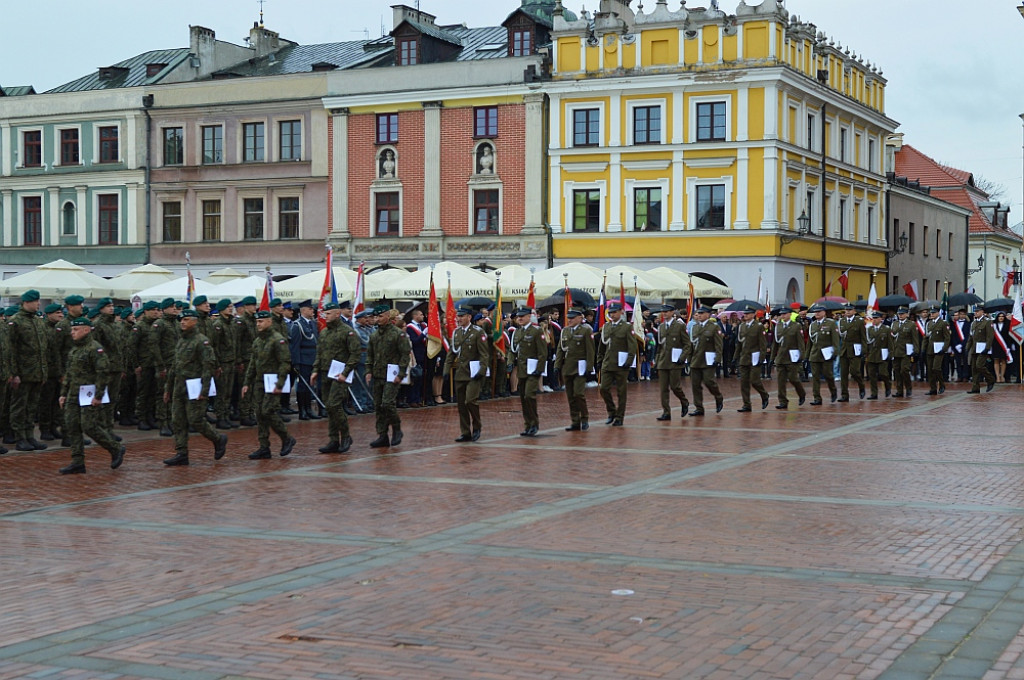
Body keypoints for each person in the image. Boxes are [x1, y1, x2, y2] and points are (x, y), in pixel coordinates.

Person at [57, 318, 126, 475]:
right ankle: (77, 461)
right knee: (71, 425)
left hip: (89, 393)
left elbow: (103, 373)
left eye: (76, 330)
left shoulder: (95, 349)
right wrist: (63, 394)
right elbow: (68, 374)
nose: (72, 333)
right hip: (73, 393)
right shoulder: (74, 350)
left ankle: (115, 448)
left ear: (86, 330)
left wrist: (99, 395)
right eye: (72, 330)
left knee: (89, 426)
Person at [162, 309, 228, 466]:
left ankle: (218, 439)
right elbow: (174, 366)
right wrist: (168, 388)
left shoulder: (201, 341)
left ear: (195, 321)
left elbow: (208, 366)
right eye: (181, 320)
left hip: (194, 386)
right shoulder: (181, 340)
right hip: (179, 387)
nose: (182, 322)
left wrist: (204, 390)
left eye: (186, 319)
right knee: (178, 420)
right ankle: (181, 453)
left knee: (195, 419)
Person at [242, 310, 296, 458]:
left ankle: (286, 438)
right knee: (259, 413)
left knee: (268, 411)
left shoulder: (278, 340)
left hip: (273, 381)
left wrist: (280, 384)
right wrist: (247, 382)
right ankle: (264, 447)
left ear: (269, 322)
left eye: (261, 321)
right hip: (260, 382)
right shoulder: (258, 341)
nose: (258, 324)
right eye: (257, 322)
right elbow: (253, 364)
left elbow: (285, 363)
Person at [311, 302, 362, 453]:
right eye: (324, 314)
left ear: (337, 314)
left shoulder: (347, 332)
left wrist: (345, 372)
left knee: (334, 405)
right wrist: (315, 370)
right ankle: (333, 439)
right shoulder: (325, 332)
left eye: (328, 314)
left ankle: (346, 436)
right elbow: (319, 353)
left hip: (340, 375)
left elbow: (355, 354)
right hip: (326, 373)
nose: (325, 317)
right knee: (329, 407)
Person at [8, 289, 50, 451]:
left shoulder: (38, 321)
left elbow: (42, 349)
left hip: (37, 373)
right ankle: (20, 438)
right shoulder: (16, 321)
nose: (39, 304)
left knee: (32, 407)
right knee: (19, 406)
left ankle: (30, 436)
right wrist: (14, 373)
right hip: (23, 373)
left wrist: (43, 372)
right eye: (36, 301)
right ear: (27, 302)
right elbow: (11, 350)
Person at [365, 307, 411, 447]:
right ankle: (382, 435)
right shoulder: (374, 335)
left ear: (387, 316)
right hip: (378, 374)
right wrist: (368, 371)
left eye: (379, 316)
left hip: (392, 375)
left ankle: (396, 428)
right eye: (375, 317)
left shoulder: (398, 334)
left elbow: (405, 354)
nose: (377, 319)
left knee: (387, 403)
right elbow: (370, 355)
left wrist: (401, 373)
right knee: (378, 406)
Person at [444, 306, 490, 442]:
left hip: (474, 373)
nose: (458, 319)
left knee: (470, 401)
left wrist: (482, 371)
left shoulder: (478, 332)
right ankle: (465, 432)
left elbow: (484, 354)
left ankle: (477, 427)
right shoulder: (456, 333)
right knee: (461, 405)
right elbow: (452, 353)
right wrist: (446, 371)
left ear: (469, 317)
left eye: (461, 316)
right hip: (460, 373)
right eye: (458, 316)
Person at [554, 307, 595, 431]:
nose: (570, 320)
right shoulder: (565, 331)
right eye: (569, 318)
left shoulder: (586, 330)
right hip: (568, 367)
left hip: (580, 368)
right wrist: (557, 365)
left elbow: (590, 350)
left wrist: (589, 367)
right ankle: (575, 421)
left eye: (572, 318)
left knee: (578, 394)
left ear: (580, 318)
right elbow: (560, 349)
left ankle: (585, 418)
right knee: (570, 396)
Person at [510, 308, 546, 436]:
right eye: (518, 317)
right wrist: (510, 362)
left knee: (529, 395)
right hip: (522, 369)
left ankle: (534, 424)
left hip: (533, 369)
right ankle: (528, 425)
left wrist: (539, 369)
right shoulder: (518, 332)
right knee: (523, 398)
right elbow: (513, 350)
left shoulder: (536, 331)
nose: (520, 318)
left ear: (529, 317)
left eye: (522, 316)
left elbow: (542, 352)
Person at [599, 302, 636, 426]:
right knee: (603, 388)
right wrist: (599, 360)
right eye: (610, 313)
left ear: (621, 312)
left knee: (621, 392)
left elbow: (632, 346)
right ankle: (611, 411)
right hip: (608, 362)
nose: (612, 315)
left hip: (621, 364)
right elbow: (602, 345)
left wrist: (628, 362)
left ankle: (620, 417)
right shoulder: (606, 327)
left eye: (615, 312)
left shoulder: (626, 327)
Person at [654, 307, 691, 419]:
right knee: (663, 388)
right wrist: (657, 359)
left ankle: (684, 401)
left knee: (675, 387)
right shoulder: (661, 327)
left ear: (672, 313)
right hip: (663, 361)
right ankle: (666, 412)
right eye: (663, 312)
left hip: (675, 361)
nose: (664, 314)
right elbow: (659, 346)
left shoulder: (680, 326)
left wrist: (682, 357)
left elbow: (687, 344)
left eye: (666, 312)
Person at [688, 305, 724, 416]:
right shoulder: (695, 327)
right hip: (696, 360)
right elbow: (692, 344)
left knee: (709, 381)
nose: (699, 315)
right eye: (698, 313)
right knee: (695, 385)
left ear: (708, 314)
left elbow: (718, 344)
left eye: (702, 313)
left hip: (708, 359)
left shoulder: (714, 327)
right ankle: (699, 407)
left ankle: (718, 396)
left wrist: (718, 359)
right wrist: (688, 358)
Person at [734, 305, 770, 411]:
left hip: (755, 357)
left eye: (748, 313)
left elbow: (763, 344)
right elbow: (739, 343)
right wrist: (735, 357)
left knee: (755, 380)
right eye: (745, 314)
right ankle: (746, 404)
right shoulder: (742, 326)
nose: (746, 315)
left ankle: (764, 395)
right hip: (744, 357)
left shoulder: (758, 326)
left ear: (753, 314)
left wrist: (761, 358)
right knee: (744, 382)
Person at [38, 303, 65, 441]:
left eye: (61, 313)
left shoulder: (59, 329)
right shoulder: (43, 329)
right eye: (57, 313)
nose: (61, 315)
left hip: (58, 372)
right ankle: (45, 429)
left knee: (56, 402)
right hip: (48, 371)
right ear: (49, 314)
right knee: (46, 402)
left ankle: (54, 427)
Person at [289, 300, 320, 420]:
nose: (312, 311)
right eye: (310, 309)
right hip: (303, 359)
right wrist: (296, 363)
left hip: (312, 358)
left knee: (310, 385)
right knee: (303, 386)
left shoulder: (312, 323)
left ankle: (308, 409)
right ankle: (302, 411)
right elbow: (294, 346)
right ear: (303, 310)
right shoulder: (297, 325)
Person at [211, 299, 239, 429]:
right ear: (221, 309)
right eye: (228, 307)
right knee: (221, 392)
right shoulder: (218, 324)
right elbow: (214, 346)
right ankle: (220, 417)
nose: (230, 308)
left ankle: (226, 415)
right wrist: (217, 365)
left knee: (228, 391)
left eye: (231, 306)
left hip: (231, 361)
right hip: (222, 362)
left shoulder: (232, 323)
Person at [772, 308, 807, 409]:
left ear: (789, 314)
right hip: (781, 357)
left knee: (793, 378)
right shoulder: (778, 326)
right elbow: (775, 343)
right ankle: (783, 401)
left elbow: (800, 342)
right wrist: (772, 357)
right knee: (781, 381)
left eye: (785, 314)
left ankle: (801, 393)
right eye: (781, 314)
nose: (783, 316)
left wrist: (802, 356)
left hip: (792, 357)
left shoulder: (796, 326)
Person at [807, 304, 839, 405]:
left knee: (828, 375)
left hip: (827, 354)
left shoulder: (831, 323)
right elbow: (810, 342)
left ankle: (833, 391)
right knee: (815, 377)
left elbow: (835, 340)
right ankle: (817, 398)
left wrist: (835, 352)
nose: (817, 313)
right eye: (816, 312)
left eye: (819, 312)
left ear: (824, 313)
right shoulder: (813, 325)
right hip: (815, 354)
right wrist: (806, 356)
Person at [836, 303, 866, 401]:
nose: (848, 311)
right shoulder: (842, 321)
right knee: (843, 374)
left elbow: (863, 337)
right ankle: (844, 395)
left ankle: (861, 386)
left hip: (855, 349)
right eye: (846, 310)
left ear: (854, 311)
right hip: (844, 350)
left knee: (855, 371)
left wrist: (864, 351)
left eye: (850, 310)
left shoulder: (859, 321)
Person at [890, 306, 919, 397]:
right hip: (896, 351)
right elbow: (891, 338)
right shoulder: (894, 324)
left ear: (907, 314)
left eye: (902, 314)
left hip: (906, 351)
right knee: (897, 371)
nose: (900, 315)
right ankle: (899, 390)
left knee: (904, 370)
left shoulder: (911, 324)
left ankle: (908, 387)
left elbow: (915, 339)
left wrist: (916, 350)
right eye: (899, 314)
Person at [967, 304, 996, 393]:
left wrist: (987, 348)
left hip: (983, 347)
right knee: (974, 368)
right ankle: (975, 388)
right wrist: (967, 348)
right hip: (975, 348)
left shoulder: (987, 322)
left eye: (977, 311)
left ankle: (990, 379)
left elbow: (990, 336)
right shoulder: (974, 323)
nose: (975, 313)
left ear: (982, 312)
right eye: (975, 311)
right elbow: (971, 337)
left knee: (979, 365)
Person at [864, 313, 893, 399]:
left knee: (883, 373)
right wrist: (865, 353)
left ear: (881, 319)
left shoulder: (886, 329)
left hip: (882, 354)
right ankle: (874, 393)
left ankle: (888, 386)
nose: (875, 320)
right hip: (872, 354)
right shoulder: (870, 329)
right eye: (874, 318)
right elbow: (867, 343)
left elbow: (890, 342)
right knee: (872, 375)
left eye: (877, 318)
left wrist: (890, 353)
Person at [924, 306, 950, 395]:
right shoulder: (929, 323)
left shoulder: (943, 323)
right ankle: (933, 388)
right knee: (930, 369)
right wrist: (923, 349)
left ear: (938, 313)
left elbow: (947, 338)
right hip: (930, 349)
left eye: (934, 313)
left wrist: (944, 349)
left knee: (936, 368)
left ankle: (942, 384)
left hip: (939, 349)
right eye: (931, 313)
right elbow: (926, 337)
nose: (932, 314)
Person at [950, 309, 971, 382]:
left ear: (965, 315)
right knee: (957, 361)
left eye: (963, 314)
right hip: (956, 345)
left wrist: (962, 345)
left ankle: (965, 376)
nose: (961, 315)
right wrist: (955, 345)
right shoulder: (954, 324)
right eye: (960, 314)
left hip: (964, 345)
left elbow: (968, 336)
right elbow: (953, 335)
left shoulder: (968, 324)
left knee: (965, 361)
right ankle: (959, 376)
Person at [993, 312, 1012, 383]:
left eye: (1002, 316)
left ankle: (1002, 376)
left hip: (1005, 346)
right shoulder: (993, 325)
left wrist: (1009, 346)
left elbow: (1009, 337)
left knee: (1004, 361)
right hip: (996, 345)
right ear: (997, 317)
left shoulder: (1007, 325)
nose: (1001, 318)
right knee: (996, 360)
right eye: (999, 316)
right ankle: (997, 377)